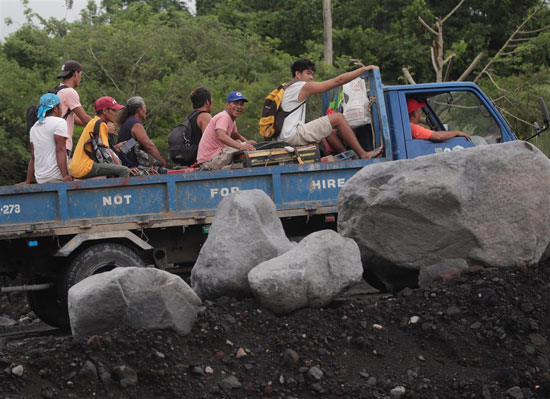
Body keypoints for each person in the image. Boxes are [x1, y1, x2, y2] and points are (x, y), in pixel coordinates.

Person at [277, 58, 382, 159]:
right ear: (297, 74)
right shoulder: (300, 86)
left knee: (327, 126)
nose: (311, 78)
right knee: (338, 118)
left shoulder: (287, 87)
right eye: (308, 73)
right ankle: (363, 154)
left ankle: (346, 155)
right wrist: (363, 69)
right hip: (293, 135)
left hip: (285, 136)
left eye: (312, 74)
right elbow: (338, 81)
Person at [69, 96, 130, 179]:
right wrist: (121, 167)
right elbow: (107, 151)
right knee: (124, 171)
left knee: (115, 169)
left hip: (76, 167)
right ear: (105, 111)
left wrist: (115, 148)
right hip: (85, 166)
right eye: (114, 110)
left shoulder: (93, 122)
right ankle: (120, 192)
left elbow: (102, 149)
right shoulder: (101, 124)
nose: (116, 113)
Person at [197, 91, 256, 170]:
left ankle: (234, 167)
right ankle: (238, 167)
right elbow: (221, 136)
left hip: (215, 158)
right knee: (241, 147)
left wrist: (250, 144)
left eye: (241, 104)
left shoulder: (232, 120)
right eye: (235, 103)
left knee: (248, 143)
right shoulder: (224, 116)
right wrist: (241, 146)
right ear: (227, 105)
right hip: (211, 159)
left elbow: (236, 135)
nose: (238, 106)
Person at [21, 94, 72, 184]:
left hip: (40, 179)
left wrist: (27, 181)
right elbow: (60, 150)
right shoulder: (59, 122)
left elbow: (34, 156)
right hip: (57, 177)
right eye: (60, 107)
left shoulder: (34, 128)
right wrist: (65, 176)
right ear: (55, 108)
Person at [115, 96, 167, 168]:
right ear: (139, 110)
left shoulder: (127, 123)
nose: (146, 110)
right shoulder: (135, 124)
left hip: (125, 165)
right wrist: (163, 162)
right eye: (145, 108)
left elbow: (127, 147)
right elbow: (148, 146)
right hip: (134, 167)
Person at [55, 60, 92, 155]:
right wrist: (103, 126)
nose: (80, 77)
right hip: (63, 145)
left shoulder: (57, 91)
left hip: (52, 142)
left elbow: (73, 118)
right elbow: (85, 118)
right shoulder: (70, 92)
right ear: (76, 73)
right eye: (80, 74)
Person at [407, 98, 472, 142]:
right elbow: (438, 136)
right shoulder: (412, 127)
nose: (421, 113)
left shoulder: (406, 126)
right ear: (415, 113)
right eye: (420, 110)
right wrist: (457, 132)